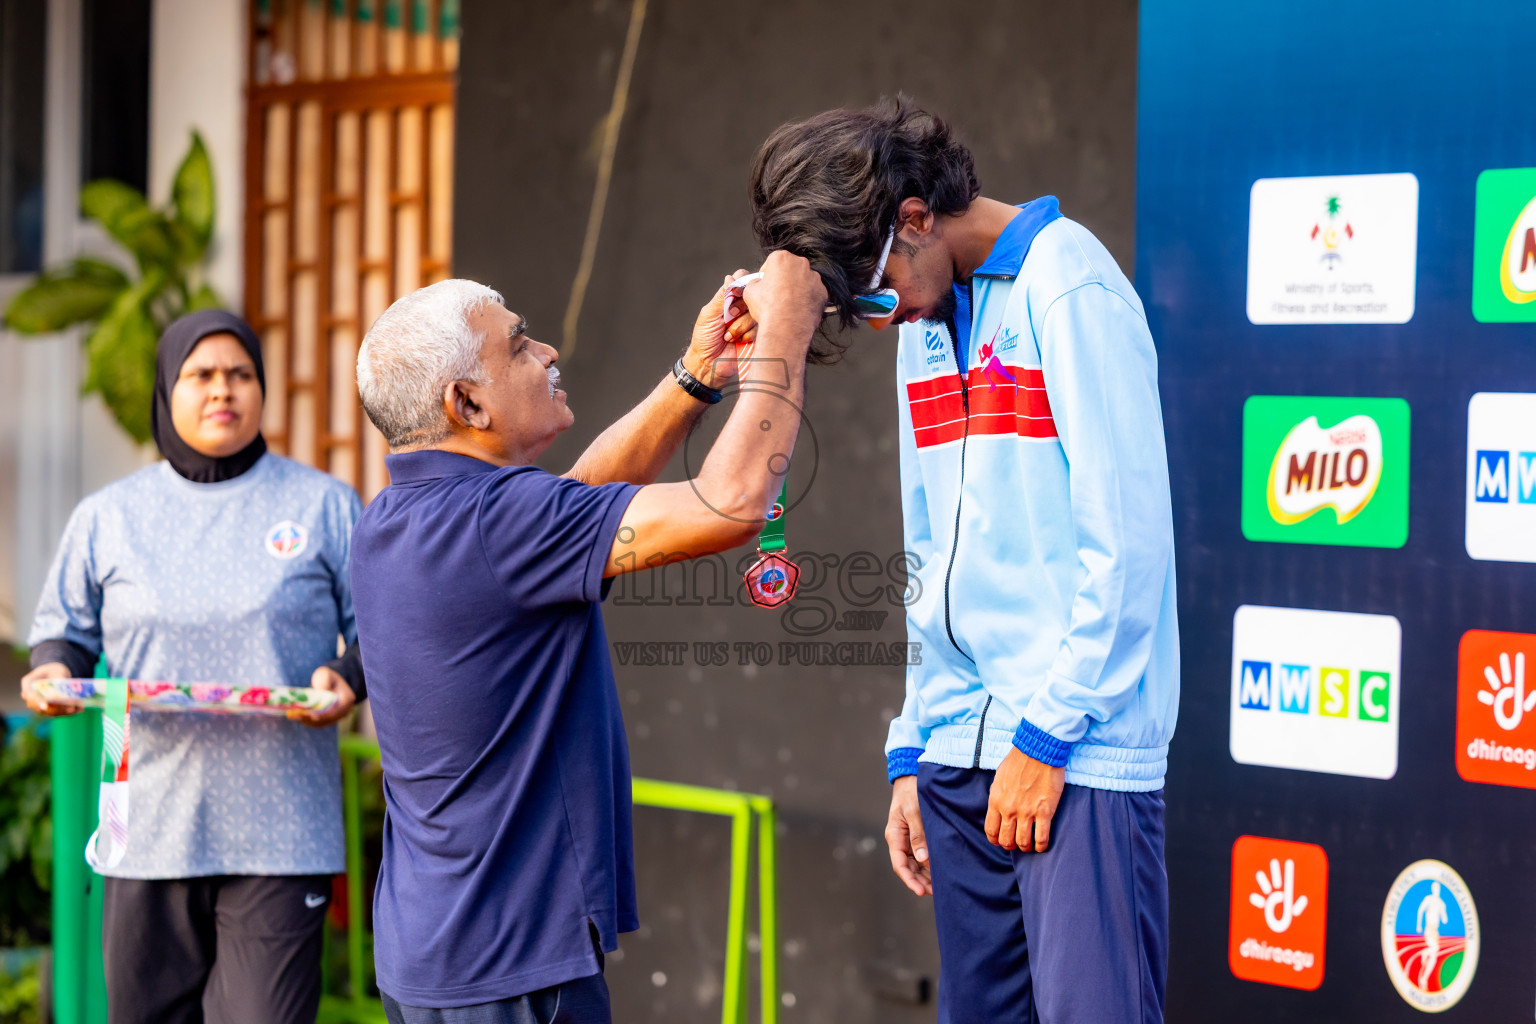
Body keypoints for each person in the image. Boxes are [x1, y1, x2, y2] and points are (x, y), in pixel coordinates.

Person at [749, 99, 1180, 1023]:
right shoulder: (926, 325)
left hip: (1074, 754)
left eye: (874, 294)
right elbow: (931, 552)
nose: (880, 321)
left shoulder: (1071, 285)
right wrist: (918, 745)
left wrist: (1048, 736)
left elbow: (1129, 544)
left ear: (914, 217)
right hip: (959, 758)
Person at [348, 254, 825, 1023]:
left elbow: (579, 501)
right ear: (466, 402)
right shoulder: (502, 523)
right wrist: (788, 330)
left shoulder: (393, 519)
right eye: (519, 345)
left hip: (430, 952)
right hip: (514, 966)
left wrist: (697, 374)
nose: (546, 353)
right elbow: (734, 502)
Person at [21, 310, 366, 1024]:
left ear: (262, 388)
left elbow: (381, 632)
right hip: (144, 824)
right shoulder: (108, 517)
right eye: (200, 374)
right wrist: (52, 670)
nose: (222, 390)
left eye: (241, 374)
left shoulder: (325, 505)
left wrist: (350, 677)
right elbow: (64, 634)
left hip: (282, 831)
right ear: (166, 389)